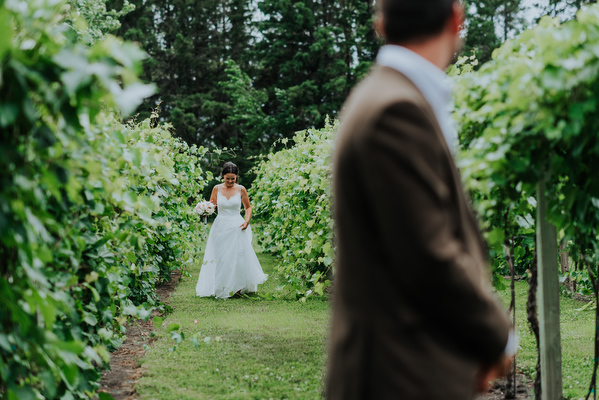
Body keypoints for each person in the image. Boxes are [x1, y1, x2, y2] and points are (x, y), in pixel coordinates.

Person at [327, 1, 514, 399]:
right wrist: (499, 338)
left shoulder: (388, 97)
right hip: (402, 374)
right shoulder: (397, 109)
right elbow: (428, 253)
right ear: (457, 19)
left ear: (380, 25)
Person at [196, 162, 267, 299]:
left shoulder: (241, 189)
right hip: (220, 227)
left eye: (232, 178)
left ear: (236, 177)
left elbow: (248, 208)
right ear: (222, 176)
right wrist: (204, 211)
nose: (229, 181)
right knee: (222, 257)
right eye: (227, 178)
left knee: (238, 257)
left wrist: (246, 221)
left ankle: (238, 288)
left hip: (237, 226)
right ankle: (222, 286)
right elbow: (212, 206)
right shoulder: (216, 189)